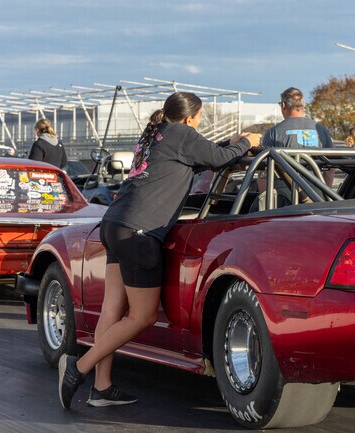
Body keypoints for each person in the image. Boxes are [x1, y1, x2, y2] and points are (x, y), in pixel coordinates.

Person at [57, 92, 261, 410]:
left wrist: (232, 144)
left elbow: (208, 154)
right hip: (139, 231)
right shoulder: (182, 133)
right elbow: (221, 159)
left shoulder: (157, 135)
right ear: (192, 117)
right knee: (143, 315)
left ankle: (101, 386)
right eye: (200, 117)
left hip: (115, 224)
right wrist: (247, 141)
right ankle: (78, 368)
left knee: (112, 311)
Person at [262, 87, 335, 186]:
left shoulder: (273, 132)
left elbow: (263, 172)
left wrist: (266, 199)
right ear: (303, 104)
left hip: (285, 192)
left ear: (283, 105)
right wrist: (326, 195)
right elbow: (331, 167)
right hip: (317, 189)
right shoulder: (322, 130)